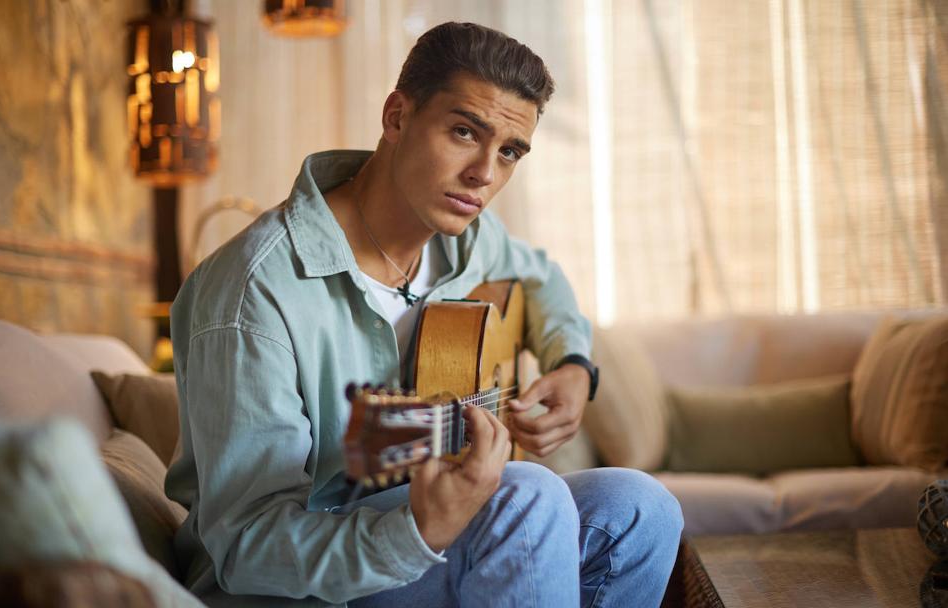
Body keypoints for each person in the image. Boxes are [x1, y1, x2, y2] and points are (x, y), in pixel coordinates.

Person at [167, 21, 683, 608]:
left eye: (509, 152)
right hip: (290, 588)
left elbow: (542, 276)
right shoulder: (251, 291)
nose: (485, 175)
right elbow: (246, 547)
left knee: (642, 509)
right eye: (465, 132)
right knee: (527, 497)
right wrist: (419, 532)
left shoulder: (463, 240)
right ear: (396, 116)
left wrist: (572, 363)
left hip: (412, 540)